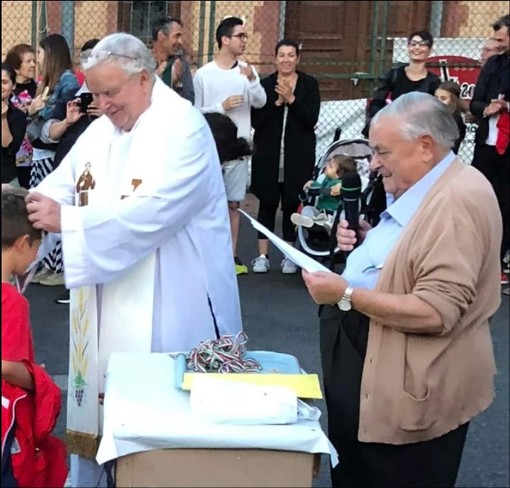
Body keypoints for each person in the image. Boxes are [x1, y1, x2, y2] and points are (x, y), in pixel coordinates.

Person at [24, 32, 243, 487]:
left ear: (144, 79)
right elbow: (60, 186)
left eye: (110, 92)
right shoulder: (104, 128)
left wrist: (70, 221)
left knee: (163, 437)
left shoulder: (182, 127)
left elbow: (155, 211)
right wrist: (20, 226)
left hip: (173, 302)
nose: (101, 104)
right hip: (104, 302)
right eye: (95, 93)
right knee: (102, 421)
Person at [302, 92, 501, 488]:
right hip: (379, 372)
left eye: (382, 152)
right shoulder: (434, 187)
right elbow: (418, 257)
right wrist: (372, 242)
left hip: (410, 392)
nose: (374, 164)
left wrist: (345, 295)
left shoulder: (456, 201)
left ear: (424, 146)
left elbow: (436, 310)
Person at [1, 188, 68, 488]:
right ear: (22, 243)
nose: (36, 257)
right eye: (36, 248)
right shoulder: (12, 301)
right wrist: (36, 376)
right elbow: (5, 365)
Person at [193, 16, 267, 275]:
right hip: (211, 148)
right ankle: (206, 255)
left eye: (246, 36)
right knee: (207, 204)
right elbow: (196, 111)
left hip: (238, 149)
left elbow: (260, 102)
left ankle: (231, 256)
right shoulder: (203, 74)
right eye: (240, 36)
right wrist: (220, 107)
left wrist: (252, 80)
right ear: (225, 39)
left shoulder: (247, 71)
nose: (245, 40)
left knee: (233, 204)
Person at [249, 38, 320, 274]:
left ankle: (290, 255)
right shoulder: (265, 85)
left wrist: (292, 100)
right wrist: (277, 102)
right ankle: (262, 255)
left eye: (291, 55)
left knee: (292, 202)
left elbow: (311, 119)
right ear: (275, 58)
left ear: (297, 58)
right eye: (282, 55)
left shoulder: (309, 84)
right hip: (268, 154)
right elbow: (256, 121)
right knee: (267, 202)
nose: (286, 59)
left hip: (297, 155)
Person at [28, 33, 80, 287]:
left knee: (54, 206)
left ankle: (60, 267)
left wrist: (39, 110)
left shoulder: (67, 82)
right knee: (41, 208)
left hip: (52, 155)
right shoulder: (48, 83)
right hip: (40, 154)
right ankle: (48, 264)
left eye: (39, 53)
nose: (37, 59)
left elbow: (59, 117)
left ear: (51, 54)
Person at [470, 14, 509, 287]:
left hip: (509, 149)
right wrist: (486, 108)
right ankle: (472, 258)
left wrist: (506, 107)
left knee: (505, 205)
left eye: (501, 38)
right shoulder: (493, 64)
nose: (497, 43)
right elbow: (475, 102)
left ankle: (496, 261)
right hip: (486, 144)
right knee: (477, 202)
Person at [362, 30, 440, 138]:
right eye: (413, 44)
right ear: (408, 48)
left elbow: (435, 110)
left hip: (419, 131)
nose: (417, 48)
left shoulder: (434, 81)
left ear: (430, 50)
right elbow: (377, 100)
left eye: (422, 44)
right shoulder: (394, 74)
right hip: (394, 129)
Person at [290, 155, 357, 235]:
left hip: (335, 212)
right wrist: (312, 184)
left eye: (330, 166)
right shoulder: (325, 179)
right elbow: (319, 187)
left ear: (339, 174)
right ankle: (307, 219)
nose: (327, 166)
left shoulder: (340, 184)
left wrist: (340, 188)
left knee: (343, 214)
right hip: (320, 211)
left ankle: (334, 225)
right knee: (308, 208)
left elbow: (344, 189)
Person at [5, 43, 37, 188]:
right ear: (16, 67)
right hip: (12, 155)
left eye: (34, 61)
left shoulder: (40, 88)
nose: (33, 65)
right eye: (28, 61)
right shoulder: (7, 92)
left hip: (33, 153)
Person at [151, 15, 195, 103]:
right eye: (177, 36)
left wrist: (177, 85)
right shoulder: (142, 62)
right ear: (161, 36)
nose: (180, 41)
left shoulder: (181, 64)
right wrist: (155, 78)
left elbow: (190, 101)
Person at [1, 63, 27, 187]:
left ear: (14, 85)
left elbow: (9, 149)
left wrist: (3, 118)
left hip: (6, 178)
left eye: (4, 82)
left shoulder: (18, 116)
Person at [435, 80, 466, 154]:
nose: (438, 101)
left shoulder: (455, 121)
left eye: (443, 98)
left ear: (453, 100)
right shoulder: (431, 116)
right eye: (436, 97)